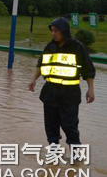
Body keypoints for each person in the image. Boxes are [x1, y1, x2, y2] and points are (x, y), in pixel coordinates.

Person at [28, 17, 95, 146]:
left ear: (64, 31)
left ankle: (75, 153)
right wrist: (33, 79)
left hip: (70, 93)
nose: (53, 34)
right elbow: (41, 65)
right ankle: (54, 151)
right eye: (52, 31)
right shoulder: (50, 46)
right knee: (50, 124)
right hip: (50, 92)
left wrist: (91, 90)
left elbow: (88, 70)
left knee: (69, 124)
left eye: (56, 31)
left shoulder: (78, 47)